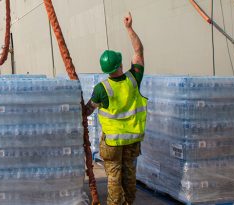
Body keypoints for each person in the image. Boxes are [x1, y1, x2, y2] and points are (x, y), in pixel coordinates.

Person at [85, 12, 147, 205]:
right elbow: (139, 51)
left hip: (112, 143)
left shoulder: (101, 89)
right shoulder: (133, 79)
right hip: (132, 140)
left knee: (113, 177)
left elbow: (87, 110)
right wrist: (128, 28)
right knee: (129, 175)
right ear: (120, 64)